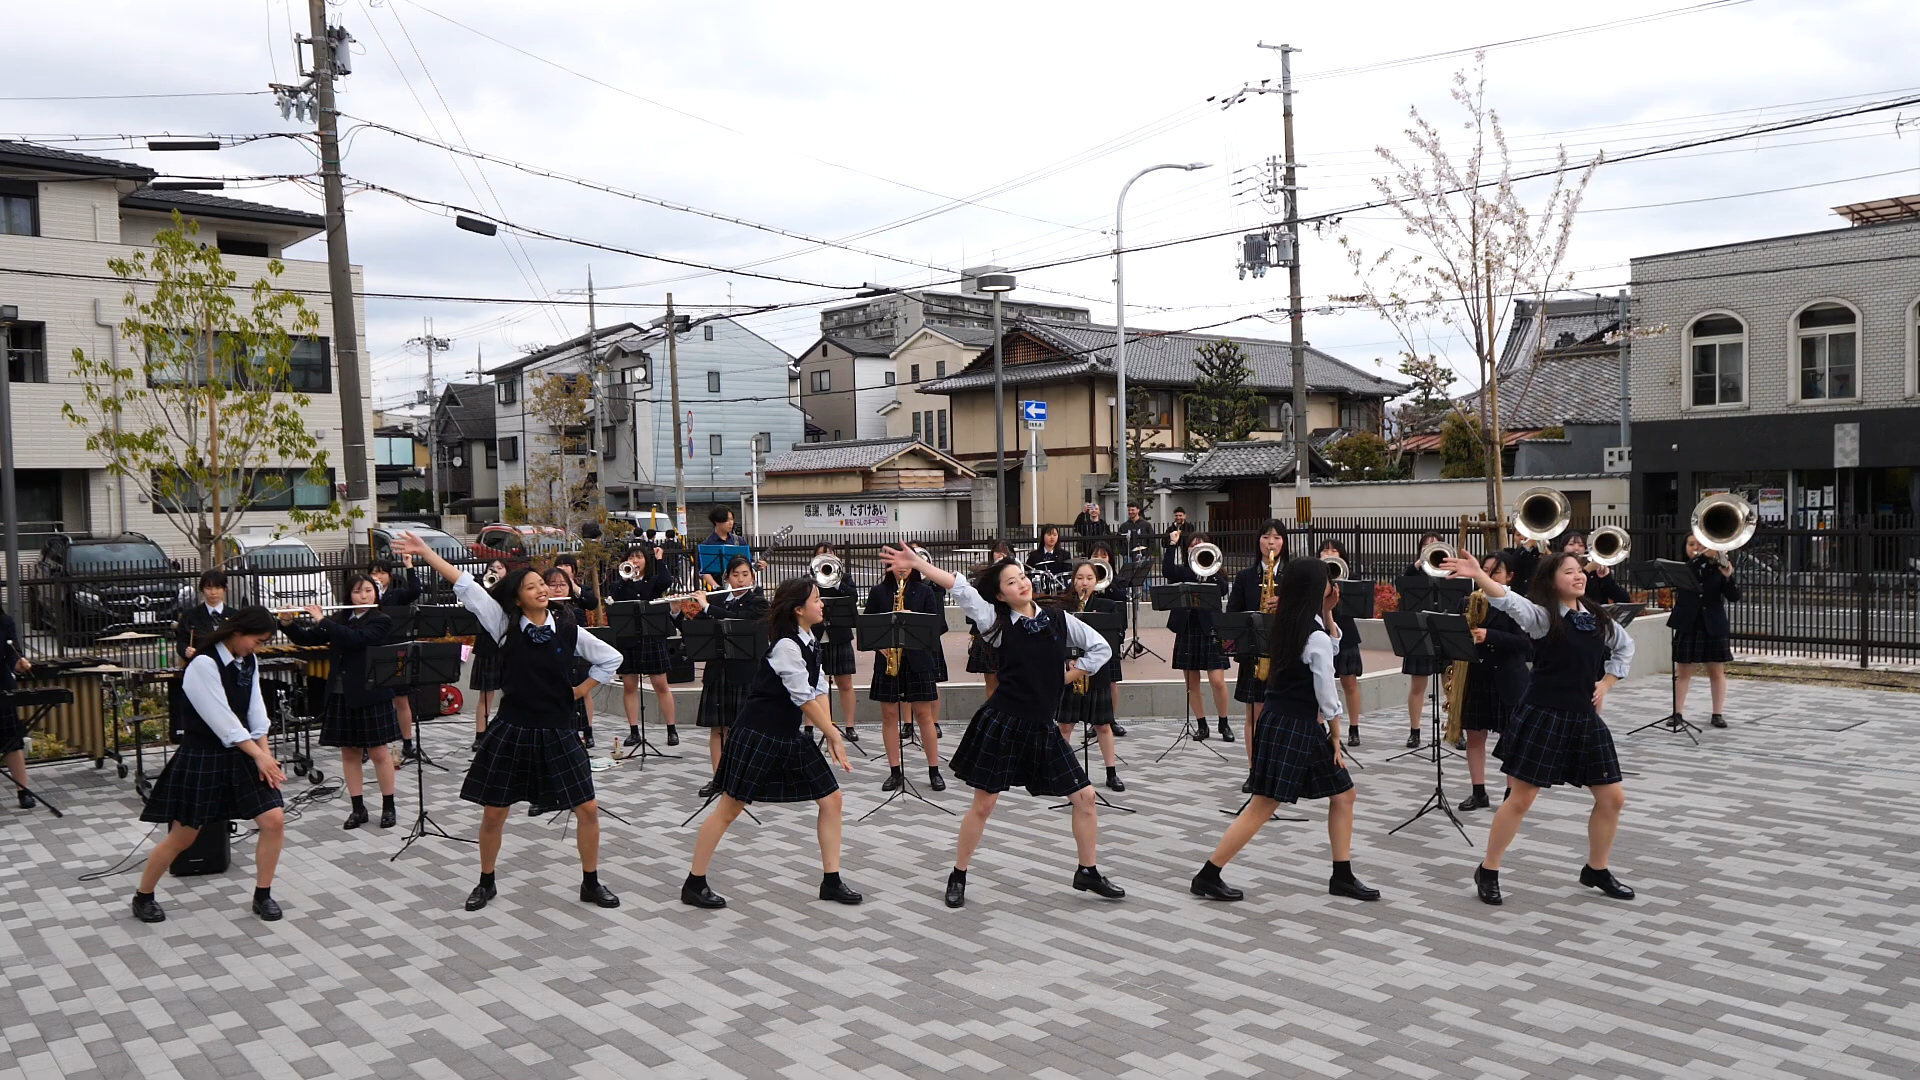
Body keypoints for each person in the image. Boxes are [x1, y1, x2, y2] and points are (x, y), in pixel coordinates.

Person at [878, 545, 1122, 908]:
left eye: (1022, 577)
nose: (1021, 584)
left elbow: (1100, 648)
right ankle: (958, 874)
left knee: (1085, 798)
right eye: (1011, 581)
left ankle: (1087, 870)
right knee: (984, 804)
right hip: (1004, 722)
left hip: (1042, 727)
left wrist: (1068, 674)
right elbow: (960, 587)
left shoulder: (1057, 618)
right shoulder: (995, 623)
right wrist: (920, 565)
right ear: (999, 594)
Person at [393, 531, 623, 912]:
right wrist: (427, 552)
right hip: (513, 728)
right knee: (494, 812)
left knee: (588, 810)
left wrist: (581, 691)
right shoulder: (503, 625)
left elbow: (609, 658)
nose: (541, 590)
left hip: (559, 729)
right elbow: (466, 585)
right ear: (517, 597)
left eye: (542, 585)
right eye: (532, 587)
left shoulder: (567, 627)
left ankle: (590, 882)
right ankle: (486, 882)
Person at [1440, 550, 1637, 907]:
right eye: (1569, 572)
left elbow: (1625, 647)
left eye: (1580, 571)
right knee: (1522, 798)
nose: (1579, 577)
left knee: (1613, 798)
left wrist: (1606, 684)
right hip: (1544, 715)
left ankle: (1597, 868)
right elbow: (1509, 601)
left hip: (1584, 718)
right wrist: (1479, 577)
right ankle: (1489, 869)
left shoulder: (1598, 618)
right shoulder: (1543, 618)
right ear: (1550, 581)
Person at [1192, 559, 1379, 904]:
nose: (1332, 585)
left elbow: (1326, 651)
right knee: (1263, 805)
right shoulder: (1313, 634)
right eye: (1327, 581)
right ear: (1315, 589)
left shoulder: (1291, 623)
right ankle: (1208, 874)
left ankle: (1342, 875)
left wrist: (1329, 614)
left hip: (1282, 721)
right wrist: (1336, 735)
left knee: (1343, 795)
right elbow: (1327, 692)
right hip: (1298, 725)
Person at [681, 577, 860, 909]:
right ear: (798, 609)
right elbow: (803, 698)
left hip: (788, 736)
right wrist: (833, 735)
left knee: (832, 800)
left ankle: (831, 881)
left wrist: (831, 731)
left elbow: (819, 691)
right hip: (757, 734)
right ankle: (694, 883)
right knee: (728, 810)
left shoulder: (810, 641)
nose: (822, 604)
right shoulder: (785, 646)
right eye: (817, 599)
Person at [131, 607, 287, 923]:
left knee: (274, 821)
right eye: (257, 641)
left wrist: (265, 755)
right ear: (238, 632)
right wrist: (258, 756)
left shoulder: (248, 661)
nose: (257, 648)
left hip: (245, 752)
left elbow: (257, 712)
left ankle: (263, 895)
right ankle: (143, 895)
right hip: (204, 755)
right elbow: (223, 721)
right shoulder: (203, 664)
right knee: (184, 836)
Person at [277, 575, 400, 830]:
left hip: (371, 694)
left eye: (369, 590)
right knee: (349, 752)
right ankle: (358, 808)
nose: (364, 596)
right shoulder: (339, 619)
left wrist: (322, 620)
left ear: (376, 594)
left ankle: (389, 806)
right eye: (357, 592)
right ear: (349, 596)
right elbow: (308, 638)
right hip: (341, 693)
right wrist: (288, 624)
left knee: (379, 752)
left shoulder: (381, 620)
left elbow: (357, 640)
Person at [1454, 552, 1532, 813]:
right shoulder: (1469, 602)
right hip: (1477, 675)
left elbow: (1526, 644)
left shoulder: (1518, 604)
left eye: (1495, 572)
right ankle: (1478, 793)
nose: (1487, 575)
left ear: (1509, 576)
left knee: (1511, 738)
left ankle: (1511, 794)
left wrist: (1491, 636)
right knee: (1475, 736)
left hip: (1509, 678)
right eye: (1484, 570)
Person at [866, 555, 945, 793]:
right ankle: (894, 771)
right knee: (889, 715)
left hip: (918, 660)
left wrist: (912, 619)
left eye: (907, 564)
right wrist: (880, 645)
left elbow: (936, 626)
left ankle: (934, 770)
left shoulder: (924, 592)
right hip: (888, 660)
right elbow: (868, 627)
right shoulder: (879, 592)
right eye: (897, 564)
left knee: (924, 714)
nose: (902, 569)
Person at [693, 556, 769, 799]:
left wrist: (707, 607)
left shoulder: (758, 602)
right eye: (735, 575)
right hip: (718, 671)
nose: (740, 579)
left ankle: (746, 778)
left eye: (745, 574)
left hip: (745, 674)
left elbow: (742, 619)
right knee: (718, 729)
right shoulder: (716, 599)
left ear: (753, 577)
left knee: (745, 729)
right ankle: (719, 779)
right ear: (726, 578)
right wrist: (677, 612)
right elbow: (695, 628)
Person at [1055, 562, 1125, 791]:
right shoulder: (1063, 606)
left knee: (1103, 725)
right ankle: (1061, 771)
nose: (1084, 583)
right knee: (1065, 724)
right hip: (1070, 669)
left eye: (1089, 578)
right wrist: (1068, 658)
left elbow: (1115, 638)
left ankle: (1111, 772)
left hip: (1097, 671)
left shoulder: (1107, 606)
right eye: (1080, 578)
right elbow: (1055, 637)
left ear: (1097, 581)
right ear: (1073, 580)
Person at [605, 544, 681, 748]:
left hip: (651, 637)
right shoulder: (621, 583)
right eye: (632, 557)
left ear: (646, 561)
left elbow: (666, 581)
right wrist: (625, 578)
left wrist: (659, 559)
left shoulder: (652, 582)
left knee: (661, 685)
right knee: (629, 686)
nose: (636, 561)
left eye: (639, 557)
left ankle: (671, 730)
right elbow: (613, 594)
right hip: (628, 639)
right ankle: (634, 731)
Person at [1226, 520, 1291, 750]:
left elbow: (1307, 610)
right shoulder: (1245, 577)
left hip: (1285, 653)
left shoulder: (1293, 575)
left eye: (1276, 537)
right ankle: (1254, 771)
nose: (1270, 542)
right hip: (1254, 654)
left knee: (1284, 716)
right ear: (1258, 541)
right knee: (1254, 716)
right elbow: (1232, 612)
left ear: (1284, 542)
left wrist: (1285, 604)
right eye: (1265, 537)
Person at [1163, 530, 1230, 741]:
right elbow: (1167, 570)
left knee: (1217, 681)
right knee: (1192, 682)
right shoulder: (1183, 572)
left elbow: (1223, 590)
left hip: (1210, 629)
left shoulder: (1216, 573)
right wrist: (1172, 544)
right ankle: (1202, 725)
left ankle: (1223, 722)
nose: (1196, 547)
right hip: (1188, 628)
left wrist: (1210, 570)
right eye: (1192, 544)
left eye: (1201, 544)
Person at [1671, 534, 1740, 729]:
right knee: (1683, 671)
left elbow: (1734, 596)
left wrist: (1728, 577)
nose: (1695, 547)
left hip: (1713, 623)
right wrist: (1701, 557)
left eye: (1700, 544)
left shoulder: (1717, 566)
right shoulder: (1683, 567)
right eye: (1691, 544)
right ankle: (1677, 713)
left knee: (1716, 671)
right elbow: (1688, 578)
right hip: (1688, 622)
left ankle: (1717, 713)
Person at [370, 557, 423, 762]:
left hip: (396, 650)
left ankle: (407, 743)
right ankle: (369, 743)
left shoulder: (396, 595)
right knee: (373, 700)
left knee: (401, 699)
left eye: (382, 572)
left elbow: (415, 591)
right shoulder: (366, 598)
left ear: (389, 577)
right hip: (374, 652)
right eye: (374, 572)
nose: (378, 576)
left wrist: (409, 566)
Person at [1399, 532, 1449, 750]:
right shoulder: (1414, 573)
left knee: (1451, 683)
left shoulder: (1448, 572)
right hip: (1420, 631)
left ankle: (1455, 728)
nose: (1431, 548)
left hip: (1446, 630)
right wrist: (1418, 564)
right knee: (1418, 684)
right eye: (1426, 546)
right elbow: (1401, 587)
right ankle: (1414, 731)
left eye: (1435, 545)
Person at [809, 543, 862, 745]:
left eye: (829, 555)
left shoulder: (845, 578)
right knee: (811, 682)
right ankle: (810, 727)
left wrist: (836, 581)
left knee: (845, 682)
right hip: (816, 634)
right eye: (821, 555)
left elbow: (853, 597)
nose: (826, 558)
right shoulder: (808, 580)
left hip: (838, 633)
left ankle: (849, 726)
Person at [546, 566, 600, 748]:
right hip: (551, 662)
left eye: (562, 584)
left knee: (580, 696)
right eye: (552, 585)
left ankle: (586, 731)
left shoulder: (574, 610)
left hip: (574, 659)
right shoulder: (539, 612)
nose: (558, 589)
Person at [1319, 541, 1366, 748]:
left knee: (1350, 683)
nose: (1329, 553)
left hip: (1345, 634)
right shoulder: (1315, 577)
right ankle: (1321, 727)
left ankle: (1354, 728)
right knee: (1320, 683)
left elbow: (1359, 605)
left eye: (1333, 550)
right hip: (1321, 633)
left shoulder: (1349, 576)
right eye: (1325, 550)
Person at [964, 539, 1016, 701]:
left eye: (1005, 552)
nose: (1001, 555)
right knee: (991, 682)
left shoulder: (1016, 577)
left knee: (1010, 681)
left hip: (1010, 632)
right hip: (988, 632)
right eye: (997, 551)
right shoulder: (984, 577)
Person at [1087, 541, 1129, 738]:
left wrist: (1107, 582)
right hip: (1088, 637)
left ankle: (1110, 719)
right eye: (1096, 554)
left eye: (1104, 555)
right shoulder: (1085, 582)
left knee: (1112, 681)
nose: (1100, 558)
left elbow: (1122, 600)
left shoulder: (1118, 582)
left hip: (1109, 636)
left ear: (1110, 559)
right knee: (1089, 680)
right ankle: (1092, 720)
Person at [468, 558, 510, 753]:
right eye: (492, 569)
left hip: (507, 646)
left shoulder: (511, 592)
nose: (496, 571)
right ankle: (480, 735)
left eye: (500, 568)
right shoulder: (483, 592)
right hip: (487, 646)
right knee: (485, 695)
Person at [1, 610, 34, 809]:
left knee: (12, 740)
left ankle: (23, 790)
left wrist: (19, 664)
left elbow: (13, 655)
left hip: (2, 687)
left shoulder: (4, 622)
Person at [175, 568, 232, 661]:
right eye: (208, 588)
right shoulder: (189, 616)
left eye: (218, 588)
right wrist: (186, 650)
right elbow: (181, 642)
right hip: (200, 664)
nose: (213, 593)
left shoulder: (235, 615)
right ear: (202, 589)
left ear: (225, 589)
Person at [1564, 532, 1631, 605]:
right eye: (1571, 544)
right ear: (1563, 548)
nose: (1576, 548)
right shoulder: (1558, 568)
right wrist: (1587, 570)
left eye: (1581, 545)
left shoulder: (1595, 571)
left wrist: (1606, 578)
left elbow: (1624, 599)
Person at [1027, 525, 1074, 591]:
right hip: (1039, 589)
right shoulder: (1034, 555)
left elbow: (1067, 573)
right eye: (1049, 535)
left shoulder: (1065, 554)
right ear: (1043, 536)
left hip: (1059, 589)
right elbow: (1028, 572)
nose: (1052, 537)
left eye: (1055, 535)